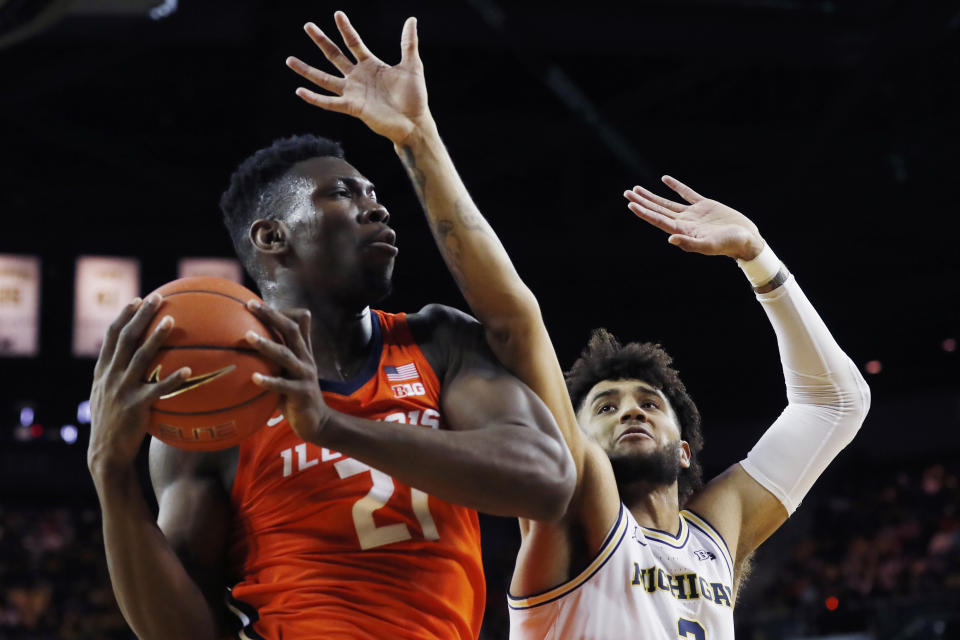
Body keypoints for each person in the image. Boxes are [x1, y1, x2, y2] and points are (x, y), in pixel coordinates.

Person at [285, 11, 872, 637]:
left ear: (682, 448)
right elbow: (518, 320)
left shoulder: (714, 536)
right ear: (574, 439)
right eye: (606, 405)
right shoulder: (581, 506)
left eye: (648, 402)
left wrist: (759, 258)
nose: (630, 411)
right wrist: (419, 138)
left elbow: (837, 404)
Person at [85, 12, 576, 640]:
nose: (376, 204)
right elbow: (183, 631)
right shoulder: (211, 398)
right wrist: (111, 475)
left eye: (374, 192)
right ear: (272, 237)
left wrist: (330, 425)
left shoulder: (437, 341)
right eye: (343, 194)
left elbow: (546, 480)